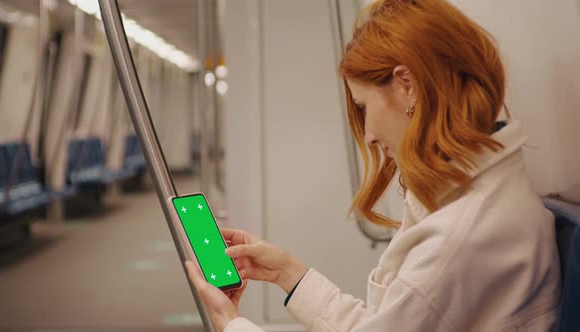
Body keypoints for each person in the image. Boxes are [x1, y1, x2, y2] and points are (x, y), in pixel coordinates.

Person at [185, 0, 561, 330]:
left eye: (364, 107)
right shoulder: (471, 196)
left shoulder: (458, 237)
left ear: (407, 85)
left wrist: (230, 324)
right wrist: (287, 273)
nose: (367, 136)